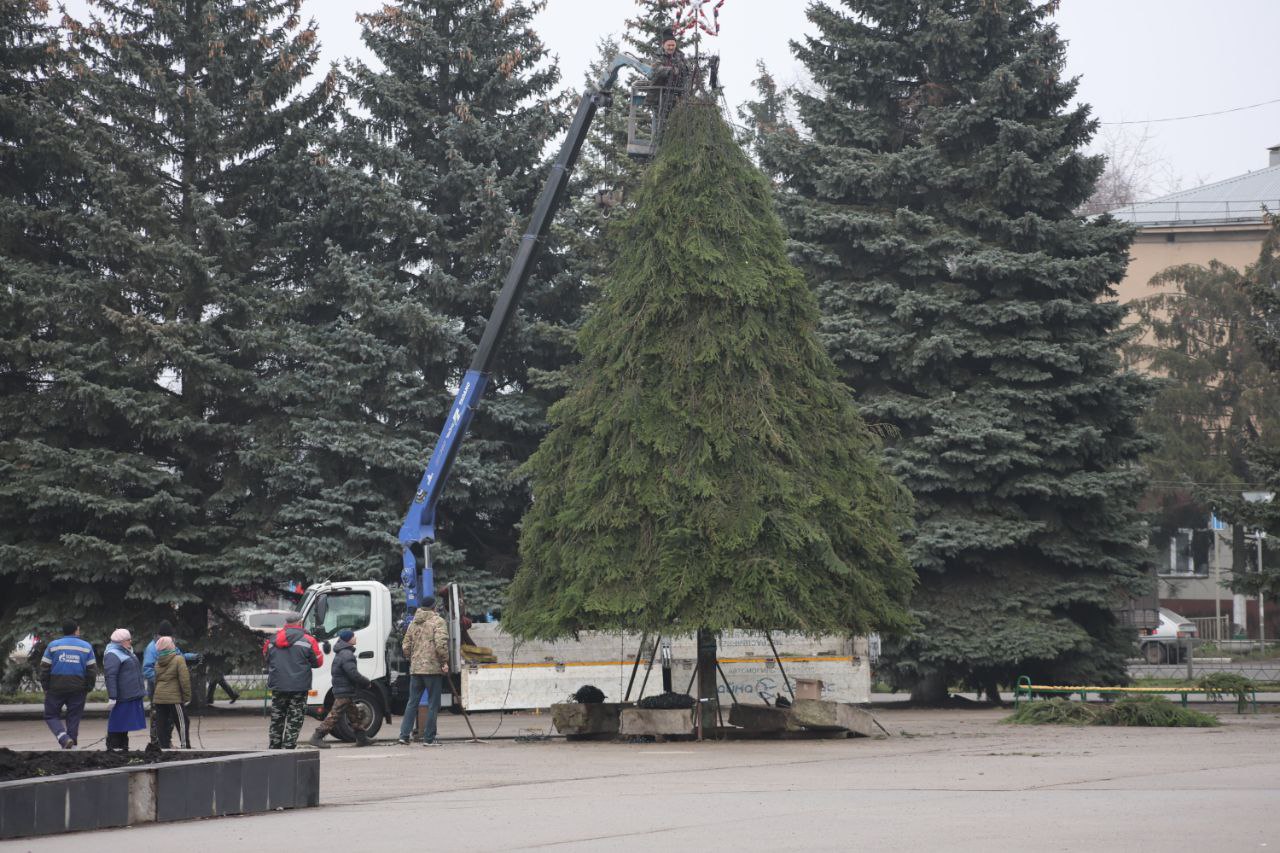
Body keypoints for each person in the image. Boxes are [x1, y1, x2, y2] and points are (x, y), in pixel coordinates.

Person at [265, 611, 323, 749]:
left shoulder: (271, 640)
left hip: (278, 685)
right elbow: (318, 662)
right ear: (300, 623)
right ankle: (289, 746)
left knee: (277, 716)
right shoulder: (308, 640)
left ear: (286, 623)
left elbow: (267, 659)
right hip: (299, 686)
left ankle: (274, 747)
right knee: (295, 717)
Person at [309, 629, 373, 749]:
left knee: (354, 714)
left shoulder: (342, 652)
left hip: (343, 688)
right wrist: (366, 682)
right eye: (353, 636)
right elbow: (353, 673)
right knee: (335, 715)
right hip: (344, 690)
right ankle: (317, 736)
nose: (355, 638)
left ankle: (362, 738)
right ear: (348, 639)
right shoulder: (347, 654)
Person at [398, 597, 450, 746]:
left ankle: (404, 736)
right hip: (432, 669)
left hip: (416, 668)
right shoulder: (438, 621)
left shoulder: (414, 622)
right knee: (433, 704)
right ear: (434, 607)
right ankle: (429, 738)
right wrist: (444, 662)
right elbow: (440, 644)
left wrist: (413, 658)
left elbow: (405, 646)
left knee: (412, 702)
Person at [38, 620, 97, 750]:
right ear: (76, 631)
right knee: (74, 717)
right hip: (78, 688)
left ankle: (64, 738)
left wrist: (46, 687)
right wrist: (88, 687)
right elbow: (92, 670)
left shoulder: (53, 646)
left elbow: (44, 668)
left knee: (51, 715)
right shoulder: (86, 647)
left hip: (56, 687)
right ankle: (72, 745)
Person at [103, 629, 146, 752]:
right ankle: (114, 747)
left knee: (123, 725)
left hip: (129, 695)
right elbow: (110, 676)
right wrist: (112, 697)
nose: (130, 641)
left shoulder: (126, 651)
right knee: (118, 723)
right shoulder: (113, 654)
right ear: (120, 641)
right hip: (122, 697)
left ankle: (122, 748)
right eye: (128, 639)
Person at [151, 637, 192, 749]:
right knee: (183, 722)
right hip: (174, 698)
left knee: (161, 724)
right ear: (170, 646)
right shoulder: (179, 659)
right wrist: (187, 696)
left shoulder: (158, 661)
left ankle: (164, 747)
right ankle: (185, 746)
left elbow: (156, 680)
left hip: (159, 697)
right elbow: (184, 680)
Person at [142, 620, 199, 698]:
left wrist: (193, 656)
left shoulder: (170, 644)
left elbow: (179, 655)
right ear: (160, 636)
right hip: (157, 690)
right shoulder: (151, 648)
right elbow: (147, 670)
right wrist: (162, 681)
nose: (170, 639)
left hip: (172, 689)